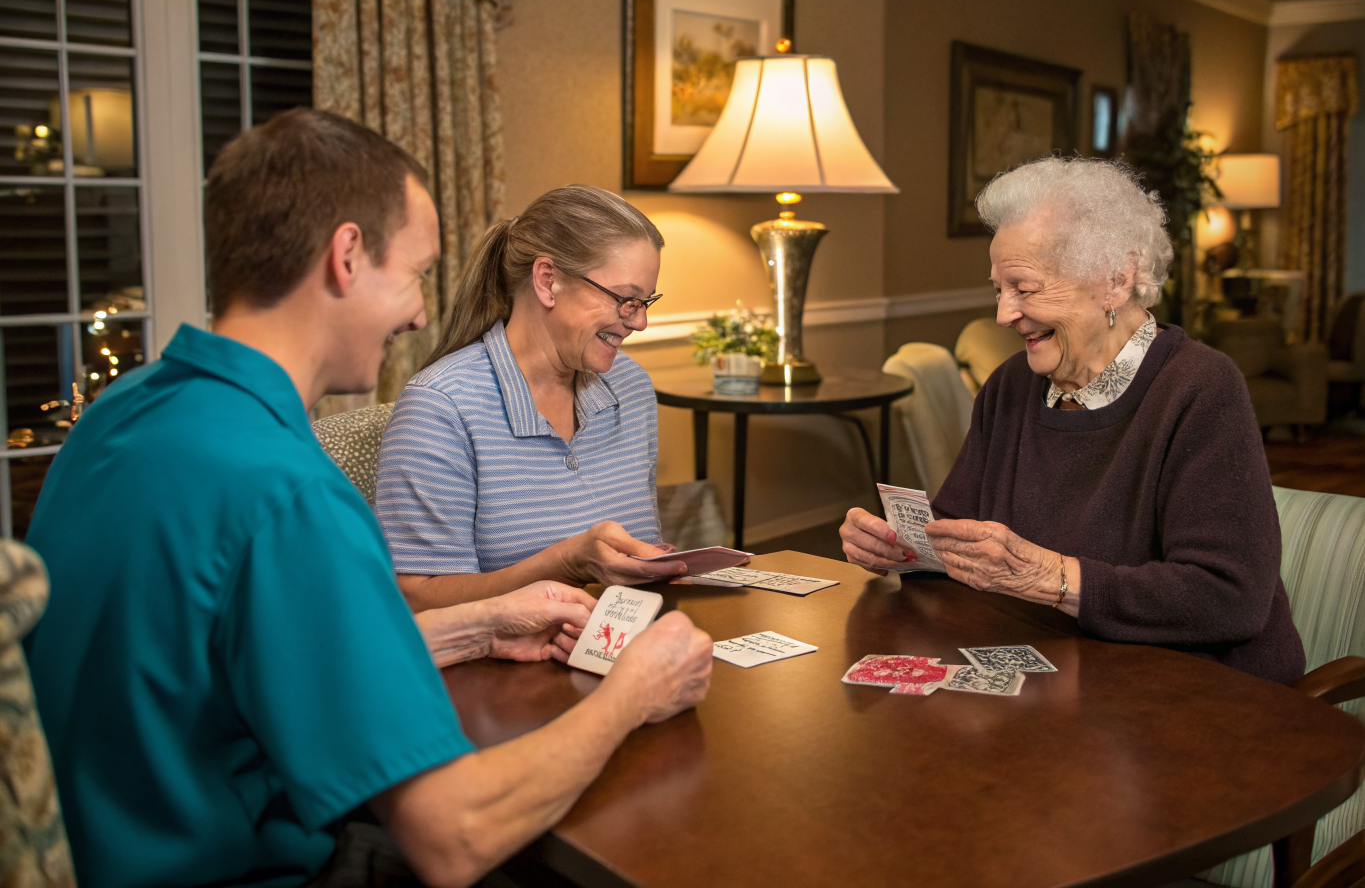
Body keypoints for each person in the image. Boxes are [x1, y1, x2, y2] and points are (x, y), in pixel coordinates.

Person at [25, 108, 713, 888]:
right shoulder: (291, 497)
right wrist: (630, 695)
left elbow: (241, 665)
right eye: (415, 273)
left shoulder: (124, 407)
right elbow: (452, 838)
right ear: (346, 256)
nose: (422, 312)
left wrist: (479, 623)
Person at [840, 156, 1305, 685]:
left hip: (1199, 694)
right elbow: (959, 537)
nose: (1004, 314)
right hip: (1062, 682)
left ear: (1115, 280)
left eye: (1025, 288)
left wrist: (1051, 578)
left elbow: (1229, 597)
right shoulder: (1012, 385)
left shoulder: (1200, 388)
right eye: (999, 289)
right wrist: (900, 548)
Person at [377, 186, 687, 611]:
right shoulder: (440, 409)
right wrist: (565, 562)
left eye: (646, 301)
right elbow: (417, 600)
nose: (641, 322)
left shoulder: (630, 386)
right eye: (625, 300)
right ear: (548, 280)